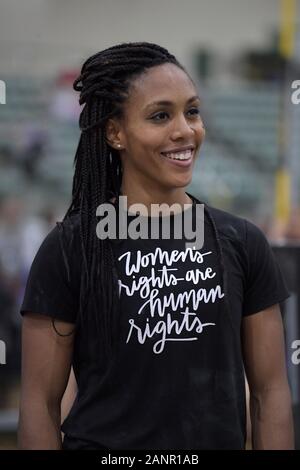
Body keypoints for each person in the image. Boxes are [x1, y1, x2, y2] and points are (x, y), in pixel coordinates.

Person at [18, 42, 294, 450]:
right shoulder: (70, 248)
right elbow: (39, 404)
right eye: (160, 115)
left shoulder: (243, 242)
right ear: (115, 133)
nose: (184, 129)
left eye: (193, 111)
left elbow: (271, 392)